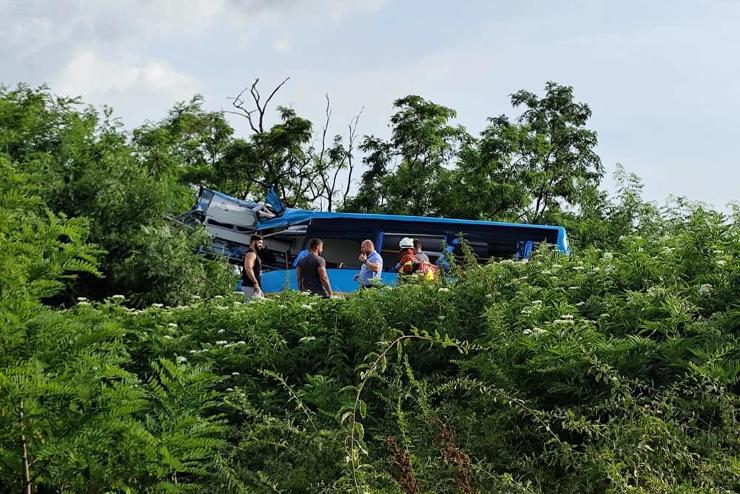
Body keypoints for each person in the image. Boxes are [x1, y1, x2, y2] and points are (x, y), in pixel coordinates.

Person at [242, 235, 265, 299]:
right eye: (260, 243)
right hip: (250, 287)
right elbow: (248, 268)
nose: (261, 245)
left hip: (254, 287)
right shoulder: (251, 253)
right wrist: (255, 282)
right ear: (254, 242)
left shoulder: (254, 254)